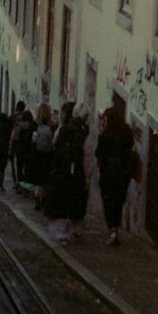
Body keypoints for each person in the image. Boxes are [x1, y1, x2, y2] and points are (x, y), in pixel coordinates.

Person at [46, 102, 90, 243]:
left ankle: (61, 233)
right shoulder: (84, 131)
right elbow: (87, 155)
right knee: (75, 202)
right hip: (76, 171)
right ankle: (72, 232)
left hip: (62, 170)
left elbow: (54, 146)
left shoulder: (64, 128)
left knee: (63, 202)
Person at [95, 98, 135, 246]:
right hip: (123, 175)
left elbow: (98, 153)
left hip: (108, 174)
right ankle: (115, 229)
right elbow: (130, 148)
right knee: (118, 202)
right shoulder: (127, 131)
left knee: (108, 202)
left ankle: (112, 230)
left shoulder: (105, 136)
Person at [29, 102, 55, 210]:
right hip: (48, 156)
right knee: (45, 181)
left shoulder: (34, 124)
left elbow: (31, 142)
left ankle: (37, 201)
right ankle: (44, 200)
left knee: (37, 181)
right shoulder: (52, 125)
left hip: (37, 156)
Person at [9, 107, 37, 190]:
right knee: (28, 170)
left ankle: (20, 186)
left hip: (20, 150)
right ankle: (27, 189)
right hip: (30, 151)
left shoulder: (19, 127)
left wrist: (11, 151)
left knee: (19, 169)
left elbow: (14, 139)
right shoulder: (33, 126)